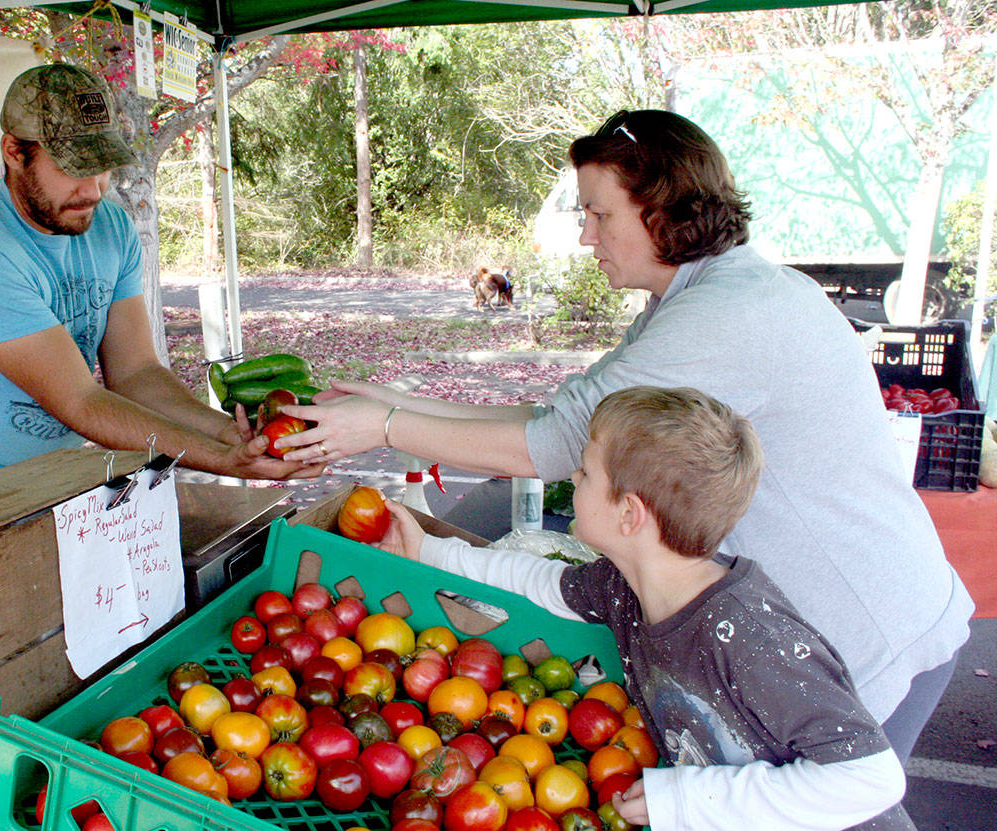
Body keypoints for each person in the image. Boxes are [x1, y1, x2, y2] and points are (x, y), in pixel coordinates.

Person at [280, 109, 973, 759]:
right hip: (810, 623)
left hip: (866, 627)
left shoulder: (727, 315)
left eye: (598, 213)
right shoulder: (695, 298)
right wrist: (395, 402)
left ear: (664, 211)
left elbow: (554, 448)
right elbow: (565, 420)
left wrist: (385, 425)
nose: (586, 235)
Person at [378, 386, 912, 831]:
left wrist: (684, 799)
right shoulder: (628, 587)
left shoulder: (746, 636)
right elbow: (540, 581)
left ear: (629, 515)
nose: (572, 481)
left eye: (585, 475)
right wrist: (431, 550)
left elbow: (870, 780)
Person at [0, 64, 319, 507]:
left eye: (103, 166)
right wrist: (224, 461)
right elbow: (81, 402)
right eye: (73, 168)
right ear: (14, 152)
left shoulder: (110, 227)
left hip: (42, 480)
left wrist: (229, 434)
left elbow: (136, 374)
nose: (93, 189)